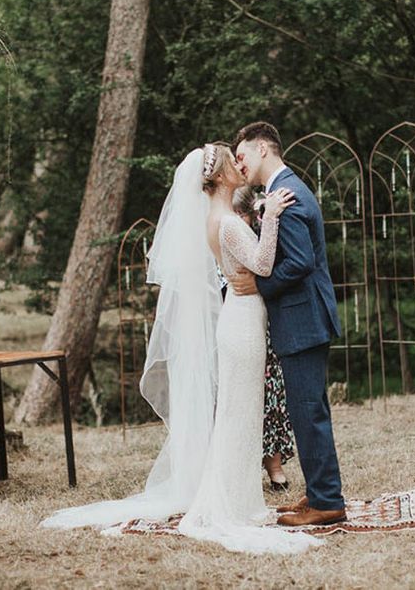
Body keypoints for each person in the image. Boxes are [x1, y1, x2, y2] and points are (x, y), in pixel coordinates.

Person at [42, 145, 321, 554]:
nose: (238, 165)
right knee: (237, 416)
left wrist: (264, 218)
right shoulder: (225, 222)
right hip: (242, 324)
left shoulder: (218, 218)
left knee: (240, 416)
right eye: (232, 160)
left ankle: (242, 500)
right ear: (222, 177)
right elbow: (262, 264)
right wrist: (273, 216)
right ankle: (229, 505)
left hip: (242, 319)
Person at [232, 121, 346, 526]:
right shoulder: (283, 191)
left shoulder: (290, 195)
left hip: (303, 319)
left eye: (242, 156)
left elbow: (299, 262)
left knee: (307, 412)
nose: (239, 164)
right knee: (308, 410)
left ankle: (327, 502)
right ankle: (320, 492)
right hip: (304, 318)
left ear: (264, 149)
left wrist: (260, 286)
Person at [232, 185, 294, 491]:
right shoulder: (223, 231)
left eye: (241, 214)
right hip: (233, 314)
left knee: (270, 388)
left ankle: (274, 463)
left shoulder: (259, 221)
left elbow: (268, 265)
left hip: (264, 315)